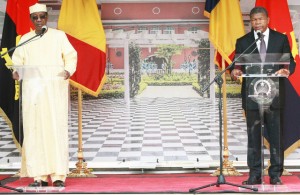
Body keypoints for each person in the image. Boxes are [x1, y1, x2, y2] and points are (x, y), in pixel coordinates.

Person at [12, 3, 77, 187]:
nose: (39, 20)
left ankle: (58, 176)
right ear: (31, 20)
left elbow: (71, 56)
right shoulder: (25, 39)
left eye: (42, 16)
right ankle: (38, 177)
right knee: (35, 132)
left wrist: (68, 70)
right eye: (35, 17)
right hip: (33, 93)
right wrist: (16, 72)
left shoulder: (59, 36)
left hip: (54, 91)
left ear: (47, 18)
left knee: (55, 131)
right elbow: (18, 61)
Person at [231, 6, 295, 185]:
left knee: (276, 136)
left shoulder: (280, 39)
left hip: (275, 97)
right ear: (250, 22)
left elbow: (289, 60)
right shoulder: (243, 42)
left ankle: (275, 174)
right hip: (252, 98)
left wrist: (286, 69)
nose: (257, 22)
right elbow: (237, 65)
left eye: (260, 19)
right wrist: (235, 72)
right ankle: (254, 174)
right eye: (253, 20)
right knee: (253, 138)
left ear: (267, 20)